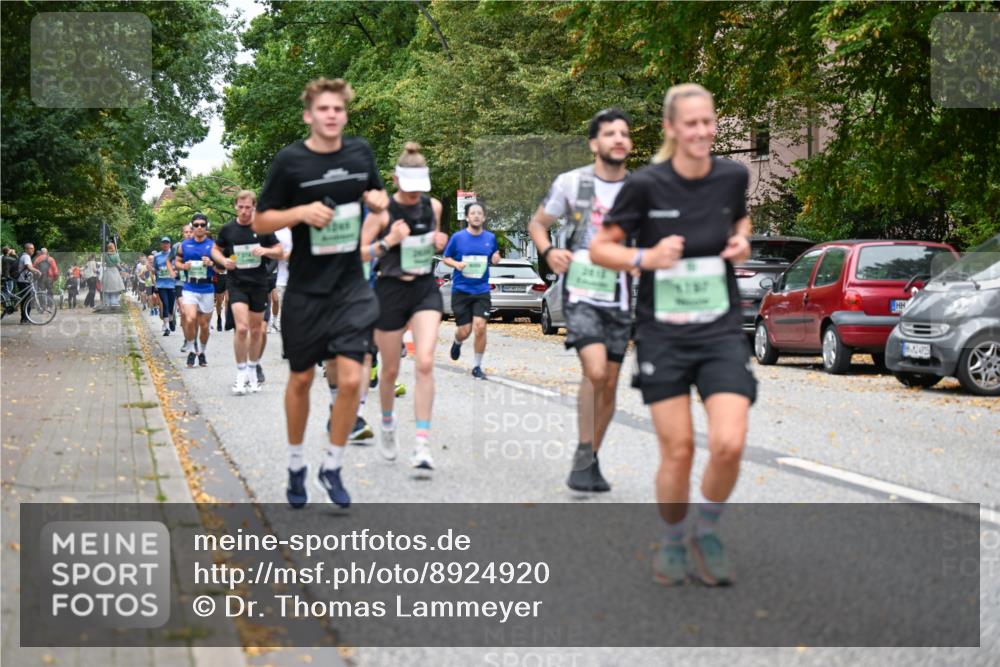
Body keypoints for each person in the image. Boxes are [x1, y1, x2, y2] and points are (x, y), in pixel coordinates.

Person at [590, 83, 754, 587]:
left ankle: (705, 530)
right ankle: (672, 539)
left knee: (728, 442)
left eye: (708, 122)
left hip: (721, 329)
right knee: (678, 449)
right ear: (670, 129)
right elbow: (601, 248)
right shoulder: (645, 186)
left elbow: (741, 218)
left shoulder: (732, 175)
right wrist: (647, 258)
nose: (702, 132)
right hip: (664, 334)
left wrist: (741, 243)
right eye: (691, 124)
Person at [253, 77, 388, 510]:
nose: (332, 115)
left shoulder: (360, 153)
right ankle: (296, 465)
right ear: (309, 115)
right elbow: (260, 221)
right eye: (324, 109)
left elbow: (379, 198)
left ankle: (332, 464)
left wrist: (380, 207)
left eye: (339, 109)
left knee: (351, 379)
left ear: (344, 114)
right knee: (302, 378)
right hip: (306, 290)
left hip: (350, 285)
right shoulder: (290, 162)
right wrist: (300, 213)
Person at [528, 107, 634, 493]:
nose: (619, 139)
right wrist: (548, 252)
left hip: (620, 297)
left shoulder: (639, 190)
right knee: (596, 372)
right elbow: (538, 224)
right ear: (595, 143)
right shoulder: (572, 184)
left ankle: (587, 456)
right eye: (610, 133)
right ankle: (585, 454)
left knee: (611, 384)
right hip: (582, 293)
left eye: (625, 133)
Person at [360, 142, 448, 469]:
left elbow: (433, 239)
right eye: (408, 189)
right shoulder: (382, 213)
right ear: (395, 180)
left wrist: (439, 241)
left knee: (425, 362)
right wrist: (387, 242)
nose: (414, 196)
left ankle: (422, 444)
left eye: (419, 190)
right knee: (391, 368)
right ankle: (386, 423)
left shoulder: (433, 207)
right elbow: (358, 253)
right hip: (390, 289)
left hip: (424, 288)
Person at [211, 190, 282, 395]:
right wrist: (223, 261)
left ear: (254, 207)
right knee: (241, 329)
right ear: (235, 206)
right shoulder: (228, 229)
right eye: (240, 207)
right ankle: (240, 374)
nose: (244, 211)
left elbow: (279, 250)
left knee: (257, 330)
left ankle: (252, 369)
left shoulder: (263, 227)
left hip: (259, 283)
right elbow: (215, 249)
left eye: (248, 208)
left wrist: (266, 251)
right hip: (237, 284)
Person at [443, 202, 500, 379]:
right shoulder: (458, 238)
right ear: (467, 217)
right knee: (465, 330)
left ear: (483, 217)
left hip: (481, 290)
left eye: (479, 213)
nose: (476, 216)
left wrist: (496, 258)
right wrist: (456, 264)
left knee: (480, 327)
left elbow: (494, 256)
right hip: (461, 290)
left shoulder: (490, 238)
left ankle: (477, 366)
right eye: (473, 213)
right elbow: (446, 258)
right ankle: (457, 341)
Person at [175, 213, 217, 368]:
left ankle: (202, 351)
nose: (199, 227)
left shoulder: (213, 245)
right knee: (190, 318)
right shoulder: (184, 245)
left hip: (207, 287)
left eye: (202, 225)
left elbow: (220, 267)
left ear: (207, 227)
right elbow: (177, 262)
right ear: (192, 227)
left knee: (204, 325)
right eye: (196, 225)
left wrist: (211, 263)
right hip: (190, 286)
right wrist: (183, 266)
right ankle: (193, 349)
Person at [153, 237, 177, 336]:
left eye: (167, 243)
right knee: (165, 304)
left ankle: (171, 319)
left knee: (171, 306)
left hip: (172, 284)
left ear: (170, 245)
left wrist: (173, 269)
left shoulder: (174, 254)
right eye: (163, 243)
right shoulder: (157, 256)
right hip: (161, 284)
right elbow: (155, 268)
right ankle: (166, 326)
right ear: (161, 245)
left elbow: (178, 266)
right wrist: (156, 271)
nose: (165, 245)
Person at [175, 225, 193, 350]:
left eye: (190, 232)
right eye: (185, 232)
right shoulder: (178, 247)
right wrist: (177, 268)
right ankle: (187, 339)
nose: (188, 234)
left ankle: (192, 338)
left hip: (195, 283)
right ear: (182, 234)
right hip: (180, 283)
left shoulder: (199, 245)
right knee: (183, 311)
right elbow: (169, 261)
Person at [16, 243, 41, 322]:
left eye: (33, 248)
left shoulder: (25, 256)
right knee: (27, 300)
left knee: (25, 300)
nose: (33, 250)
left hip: (23, 280)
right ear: (26, 249)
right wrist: (37, 271)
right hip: (23, 281)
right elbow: (29, 267)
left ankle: (24, 318)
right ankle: (25, 318)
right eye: (31, 248)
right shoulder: (26, 256)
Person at [102, 242, 125, 308]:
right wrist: (121, 268)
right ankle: (114, 302)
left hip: (107, 272)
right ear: (113, 247)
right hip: (114, 271)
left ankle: (107, 302)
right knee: (115, 288)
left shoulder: (105, 255)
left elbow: (103, 264)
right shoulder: (116, 255)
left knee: (107, 288)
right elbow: (118, 265)